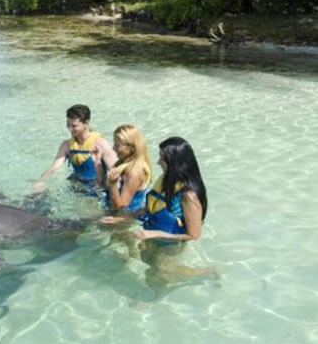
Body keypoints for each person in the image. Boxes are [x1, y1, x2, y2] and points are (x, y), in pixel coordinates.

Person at [101, 136, 214, 284]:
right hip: (152, 235)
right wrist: (123, 219)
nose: (158, 162)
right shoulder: (165, 179)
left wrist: (155, 233)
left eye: (162, 158)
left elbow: (194, 234)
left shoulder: (189, 196)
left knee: (164, 272)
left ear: (174, 163)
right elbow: (149, 207)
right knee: (148, 261)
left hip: (171, 243)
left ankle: (206, 272)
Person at [32, 104, 117, 194]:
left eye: (74, 126)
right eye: (68, 125)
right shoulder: (66, 145)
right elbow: (54, 167)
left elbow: (115, 168)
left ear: (86, 123)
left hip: (97, 187)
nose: (70, 129)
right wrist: (41, 181)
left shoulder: (101, 144)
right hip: (77, 184)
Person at [106, 124, 152, 213]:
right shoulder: (122, 163)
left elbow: (121, 208)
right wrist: (97, 161)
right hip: (112, 213)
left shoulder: (134, 172)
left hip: (125, 219)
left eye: (117, 145)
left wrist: (113, 184)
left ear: (131, 148)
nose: (113, 148)